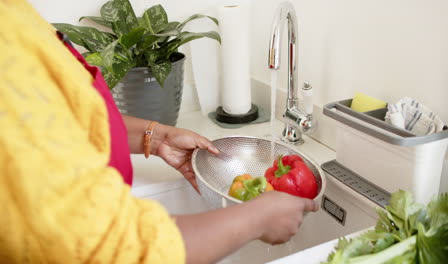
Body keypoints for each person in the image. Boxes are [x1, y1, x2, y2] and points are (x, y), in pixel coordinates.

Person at [0, 1, 319, 263]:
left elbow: (62, 122)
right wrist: (255, 219)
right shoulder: (7, 41)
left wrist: (153, 136)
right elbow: (101, 248)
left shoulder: (14, 16)